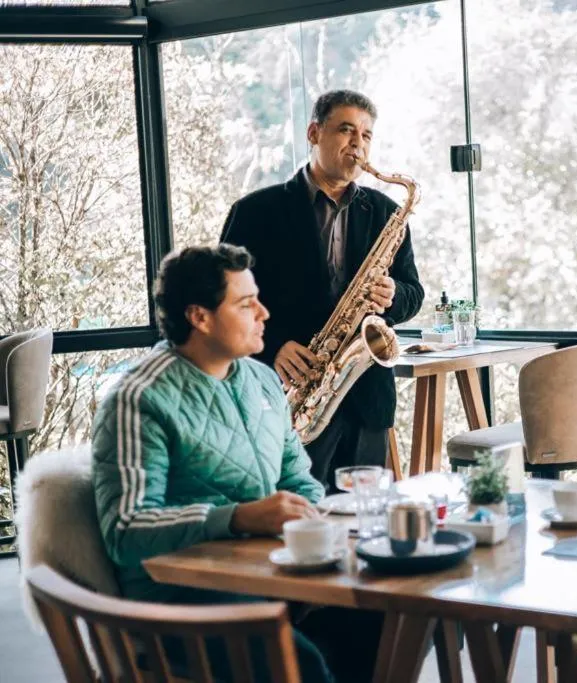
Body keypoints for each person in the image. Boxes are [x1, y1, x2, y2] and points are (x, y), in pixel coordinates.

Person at [92, 245, 382, 683]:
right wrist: (238, 517)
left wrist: (309, 525)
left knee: (386, 619)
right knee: (301, 663)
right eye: (246, 304)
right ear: (200, 317)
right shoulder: (138, 399)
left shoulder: (263, 380)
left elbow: (297, 478)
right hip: (177, 601)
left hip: (269, 577)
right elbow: (126, 530)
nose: (264, 314)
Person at [220, 89, 424, 487]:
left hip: (366, 399)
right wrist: (274, 345)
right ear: (314, 133)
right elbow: (224, 299)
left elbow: (413, 292)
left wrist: (393, 294)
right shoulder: (255, 211)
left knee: (364, 515)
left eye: (366, 135)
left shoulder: (386, 212)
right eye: (346, 130)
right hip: (290, 393)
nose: (358, 144)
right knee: (300, 514)